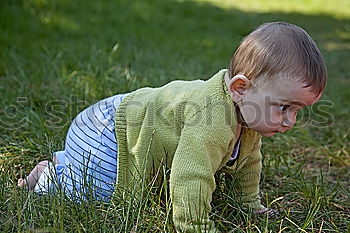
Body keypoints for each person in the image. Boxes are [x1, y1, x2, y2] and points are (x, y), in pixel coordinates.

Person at [18, 22, 327, 232]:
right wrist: (195, 225)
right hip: (109, 130)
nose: (290, 121)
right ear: (240, 88)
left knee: (99, 173)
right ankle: (50, 176)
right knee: (100, 192)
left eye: (298, 110)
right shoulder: (211, 119)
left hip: (121, 118)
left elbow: (249, 163)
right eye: (284, 107)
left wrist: (249, 206)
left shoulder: (248, 116)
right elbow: (190, 174)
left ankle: (65, 161)